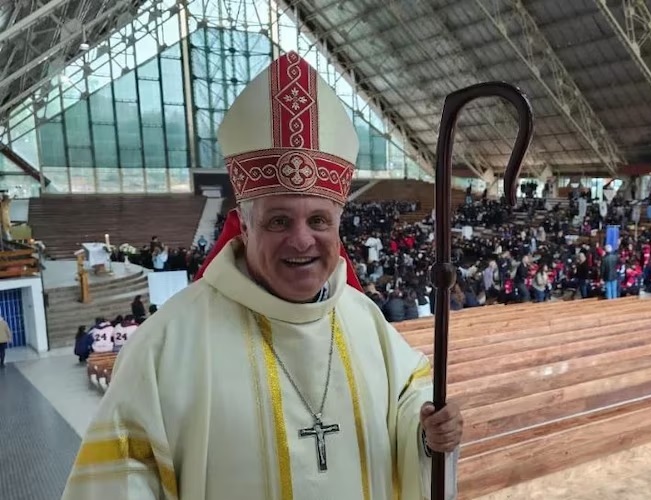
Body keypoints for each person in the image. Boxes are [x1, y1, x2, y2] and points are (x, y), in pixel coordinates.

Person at [62, 52, 462, 500]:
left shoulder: (364, 320)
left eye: (318, 221)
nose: (301, 240)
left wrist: (428, 434)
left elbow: (410, 401)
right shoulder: (166, 346)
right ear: (245, 225)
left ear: (338, 226)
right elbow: (121, 479)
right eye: (278, 222)